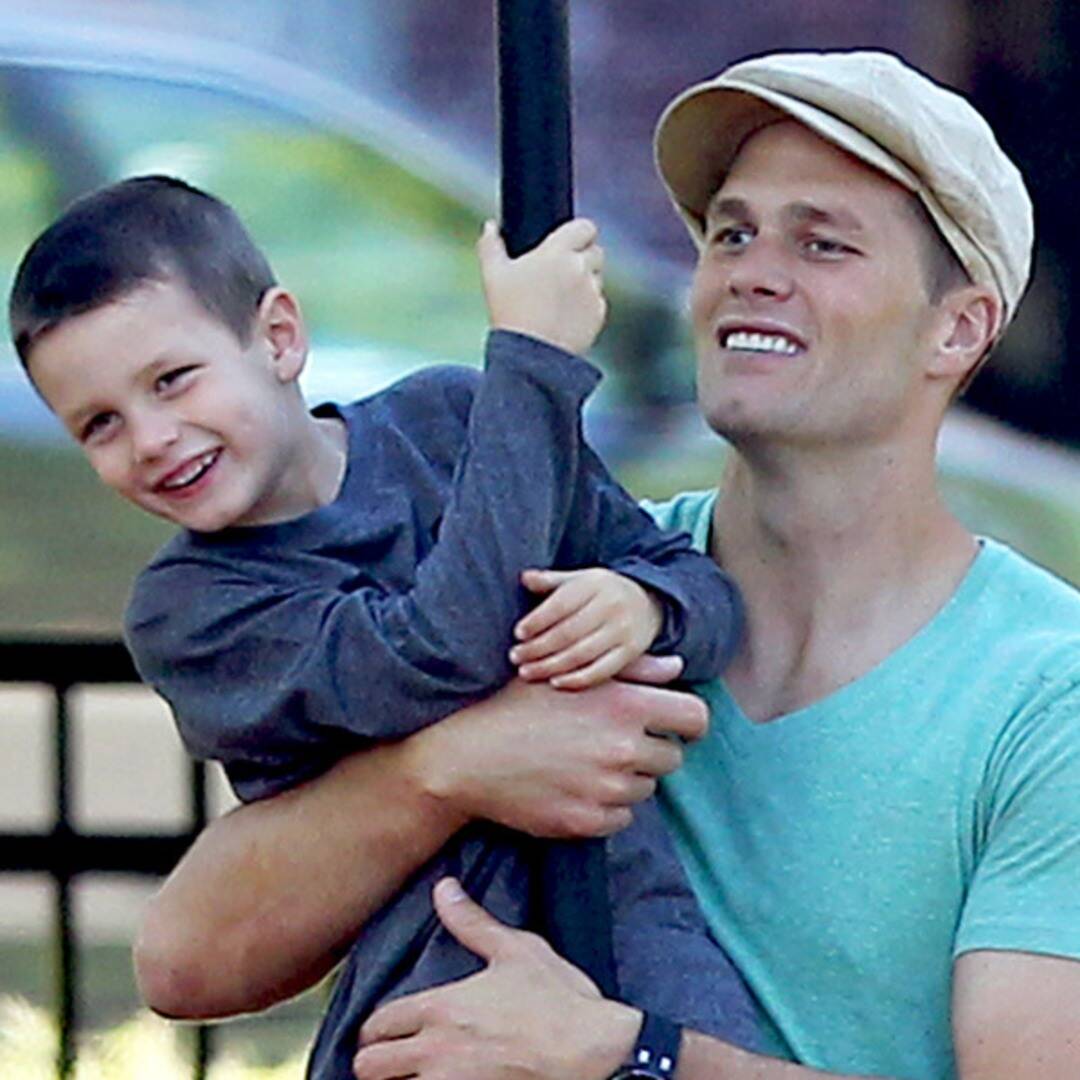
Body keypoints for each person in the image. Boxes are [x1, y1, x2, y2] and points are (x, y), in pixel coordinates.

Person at [99, 48, 1080, 1079]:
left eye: (823, 244)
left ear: (958, 327)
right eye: (733, 232)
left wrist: (629, 1052)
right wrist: (450, 769)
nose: (752, 270)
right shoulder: (564, 572)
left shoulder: (1044, 692)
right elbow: (184, 961)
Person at [9, 177, 758, 1074]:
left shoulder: (450, 419)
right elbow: (440, 656)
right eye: (100, 425)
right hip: (441, 975)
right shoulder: (193, 613)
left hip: (634, 919)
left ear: (279, 337)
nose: (153, 437)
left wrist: (644, 609)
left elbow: (709, 600)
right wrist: (532, 363)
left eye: (172, 380)